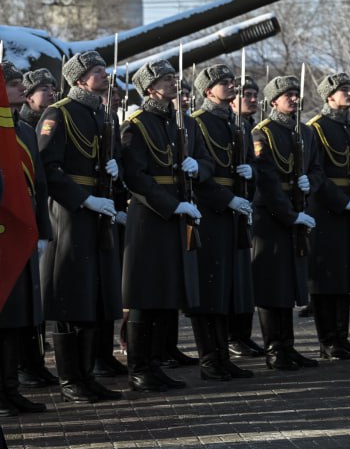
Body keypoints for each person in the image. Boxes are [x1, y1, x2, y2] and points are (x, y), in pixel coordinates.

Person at [37, 51, 126, 404]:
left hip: (99, 211)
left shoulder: (102, 114)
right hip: (72, 214)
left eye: (104, 69)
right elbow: (50, 166)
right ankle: (71, 378)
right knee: (70, 297)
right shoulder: (58, 113)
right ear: (78, 79)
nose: (105, 75)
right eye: (97, 71)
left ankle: (87, 374)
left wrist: (113, 178)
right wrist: (83, 200)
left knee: (93, 296)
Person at [119, 60, 208, 391]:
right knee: (144, 294)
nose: (173, 82)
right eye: (165, 79)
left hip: (173, 216)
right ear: (149, 88)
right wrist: (172, 205)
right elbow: (136, 177)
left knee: (163, 293)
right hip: (149, 218)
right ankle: (139, 368)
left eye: (173, 77)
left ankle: (154, 364)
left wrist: (195, 171)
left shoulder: (176, 123)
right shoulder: (136, 125)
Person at [187, 64, 257, 383]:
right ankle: (209, 359)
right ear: (207, 91)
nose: (232, 86)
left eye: (232, 82)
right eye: (223, 83)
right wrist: (225, 198)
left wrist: (248, 179)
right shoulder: (196, 123)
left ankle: (224, 357)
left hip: (232, 212)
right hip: (210, 211)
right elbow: (197, 177)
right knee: (209, 288)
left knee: (228, 287)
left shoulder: (236, 124)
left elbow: (244, 166)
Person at [250, 76, 320, 371]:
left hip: (295, 210)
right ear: (273, 101)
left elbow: (318, 169)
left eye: (295, 93)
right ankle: (274, 349)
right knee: (271, 285)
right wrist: (290, 216)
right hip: (271, 216)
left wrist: (310, 183)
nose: (293, 98)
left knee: (290, 283)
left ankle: (288, 346)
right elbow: (266, 182)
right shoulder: (262, 133)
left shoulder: (305, 131)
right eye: (287, 94)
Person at [305, 72, 350, 360]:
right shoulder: (315, 129)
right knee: (326, 280)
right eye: (343, 89)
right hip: (327, 211)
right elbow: (317, 174)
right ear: (328, 96)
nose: (349, 93)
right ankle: (328, 341)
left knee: (346, 277)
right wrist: (344, 202)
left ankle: (343, 338)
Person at [0, 61, 52, 414]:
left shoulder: (27, 131)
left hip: (24, 227)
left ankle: (10, 388)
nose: (21, 89)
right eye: (13, 84)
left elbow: (40, 185)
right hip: (4, 230)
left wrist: (44, 230)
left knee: (19, 317)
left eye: (21, 83)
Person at [228, 75, 264, 359]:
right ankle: (232, 336)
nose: (252, 99)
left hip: (248, 206)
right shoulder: (231, 125)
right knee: (233, 277)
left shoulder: (248, 126)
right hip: (229, 206)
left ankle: (243, 334)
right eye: (246, 94)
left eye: (254, 94)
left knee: (245, 278)